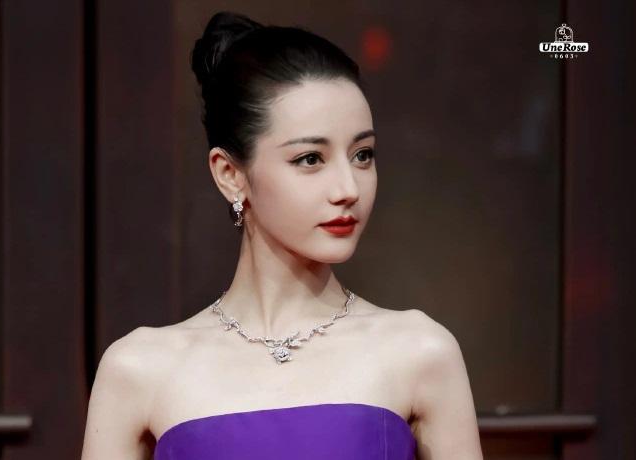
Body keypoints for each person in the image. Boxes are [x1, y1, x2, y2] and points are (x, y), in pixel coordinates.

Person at [81, 11, 483, 460]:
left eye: (362, 155)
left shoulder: (420, 352)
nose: (348, 189)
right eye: (310, 159)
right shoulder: (139, 370)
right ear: (230, 174)